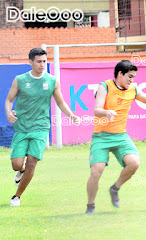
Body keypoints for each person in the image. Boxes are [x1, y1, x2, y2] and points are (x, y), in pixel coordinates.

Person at [85, 60, 146, 214]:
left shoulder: (133, 89)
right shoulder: (104, 86)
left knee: (134, 163)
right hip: (101, 137)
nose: (132, 80)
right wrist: (107, 112)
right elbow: (97, 110)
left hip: (120, 136)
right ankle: (90, 205)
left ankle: (115, 188)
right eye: (130, 77)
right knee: (96, 171)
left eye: (133, 77)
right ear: (120, 74)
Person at [5, 48, 80, 207]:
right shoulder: (20, 79)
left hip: (41, 127)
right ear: (30, 62)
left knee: (33, 161)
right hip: (22, 127)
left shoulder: (52, 81)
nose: (42, 64)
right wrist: (8, 113)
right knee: (17, 164)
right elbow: (9, 100)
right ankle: (21, 170)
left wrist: (71, 115)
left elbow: (60, 102)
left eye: (44, 61)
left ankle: (17, 196)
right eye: (39, 61)